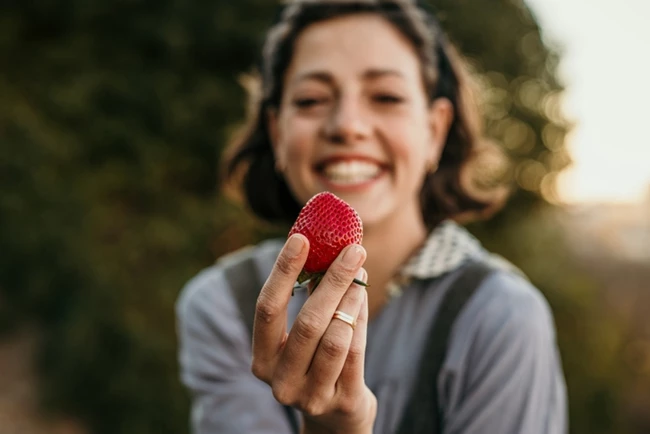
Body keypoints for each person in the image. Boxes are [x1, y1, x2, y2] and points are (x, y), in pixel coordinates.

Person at [175, 1, 568, 433]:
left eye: (386, 96)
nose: (347, 125)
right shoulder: (221, 306)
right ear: (278, 132)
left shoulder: (502, 317)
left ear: (434, 132)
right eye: (311, 99)